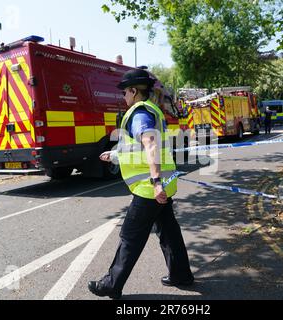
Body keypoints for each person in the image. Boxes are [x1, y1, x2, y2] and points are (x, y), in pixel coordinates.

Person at [88, 69, 194, 300]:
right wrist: (115, 155)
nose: (123, 97)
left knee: (130, 237)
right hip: (162, 184)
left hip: (149, 188)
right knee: (169, 232)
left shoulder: (139, 113)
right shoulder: (151, 110)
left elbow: (151, 145)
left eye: (125, 92)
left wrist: (156, 183)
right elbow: (137, 149)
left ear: (134, 91)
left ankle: (111, 284)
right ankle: (181, 274)